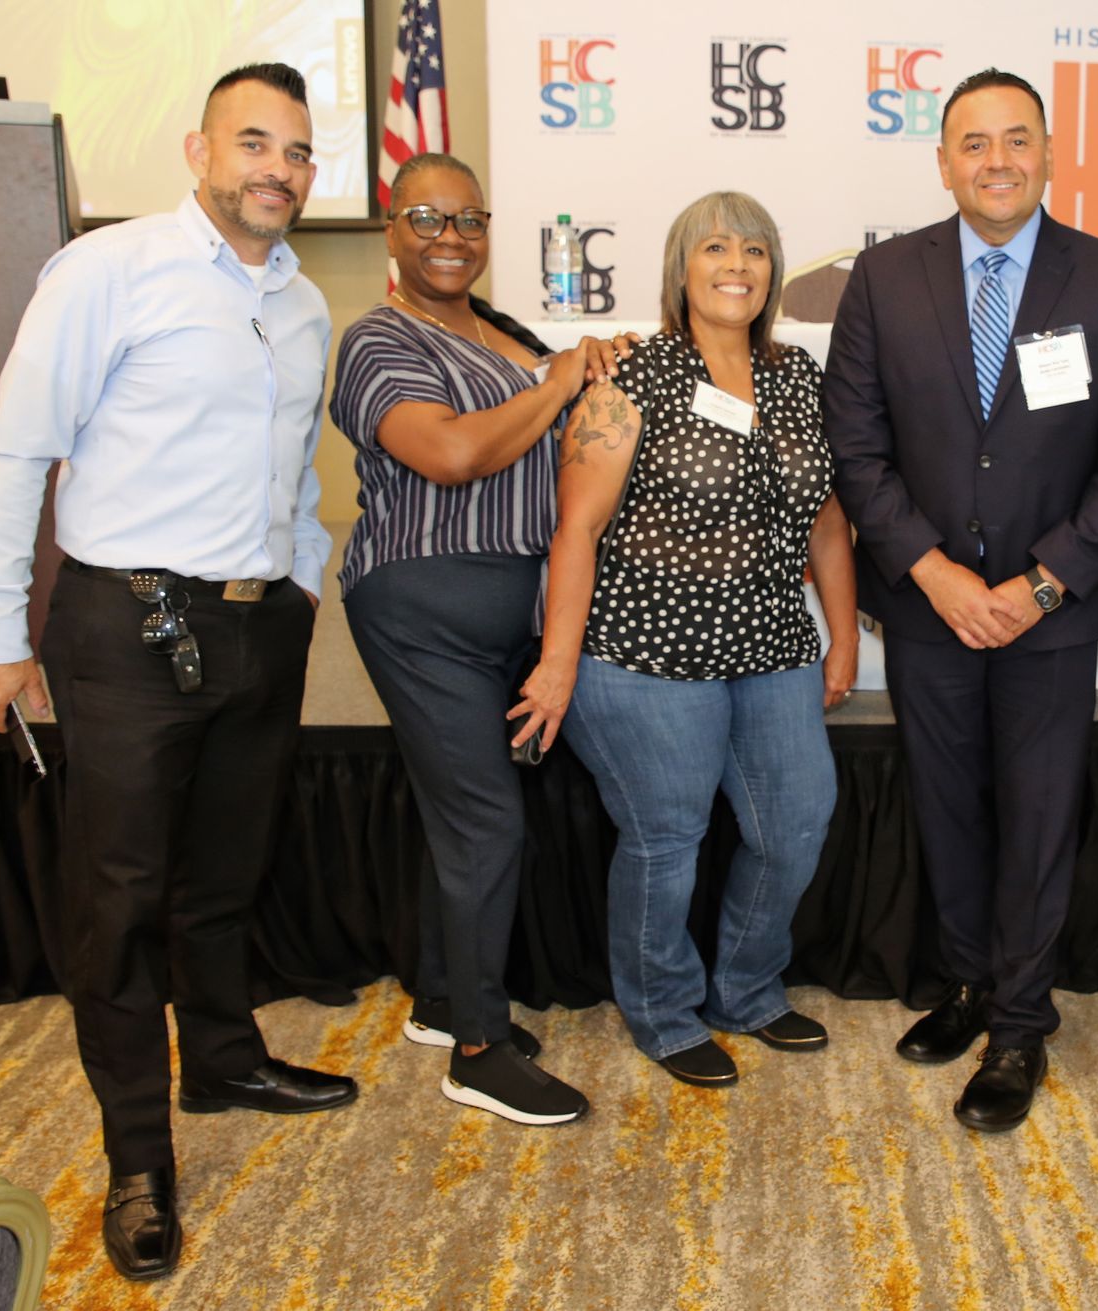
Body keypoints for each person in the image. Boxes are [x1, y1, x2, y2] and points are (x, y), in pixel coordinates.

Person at [0, 64, 353, 1281]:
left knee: (224, 875)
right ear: (197, 152)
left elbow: (287, 473)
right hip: (123, 630)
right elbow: (17, 454)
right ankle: (139, 1158)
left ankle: (224, 1061)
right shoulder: (105, 271)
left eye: (295, 150)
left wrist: (298, 581)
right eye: (252, 143)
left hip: (254, 625)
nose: (275, 168)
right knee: (118, 903)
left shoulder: (301, 305)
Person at [823, 69, 1098, 1132]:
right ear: (942, 162)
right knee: (949, 807)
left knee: (1036, 817)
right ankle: (971, 984)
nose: (997, 160)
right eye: (974, 143)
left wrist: (1040, 581)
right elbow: (857, 444)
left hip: (1049, 615)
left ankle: (1021, 1023)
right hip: (928, 606)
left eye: (1017, 139)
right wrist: (933, 571)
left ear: (1051, 153)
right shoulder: (883, 277)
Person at [509, 191, 858, 1088]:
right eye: (714, 247)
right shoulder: (634, 378)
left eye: (754, 248)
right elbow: (576, 531)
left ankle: (746, 988)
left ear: (773, 272)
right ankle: (663, 1011)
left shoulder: (796, 379)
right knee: (667, 837)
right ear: (681, 269)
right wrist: (555, 667)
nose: (736, 263)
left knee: (796, 823)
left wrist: (843, 635)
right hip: (642, 655)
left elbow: (825, 521)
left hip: (772, 647)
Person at [331, 151, 632, 1127]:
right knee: (486, 823)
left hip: (513, 604)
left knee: (466, 812)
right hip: (421, 607)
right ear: (391, 228)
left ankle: (444, 997)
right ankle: (478, 1051)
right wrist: (555, 378)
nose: (450, 237)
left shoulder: (501, 331)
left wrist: (590, 373)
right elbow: (453, 454)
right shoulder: (379, 338)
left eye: (468, 220)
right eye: (427, 218)